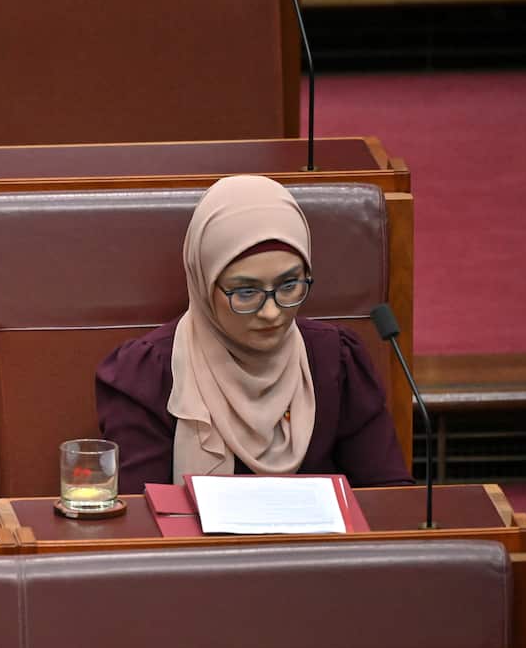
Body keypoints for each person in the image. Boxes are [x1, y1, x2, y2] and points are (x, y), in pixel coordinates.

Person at [96, 174, 413, 492]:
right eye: (246, 292)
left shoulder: (337, 362)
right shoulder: (148, 375)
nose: (272, 312)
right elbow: (138, 518)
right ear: (205, 285)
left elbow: (389, 496)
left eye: (289, 286)